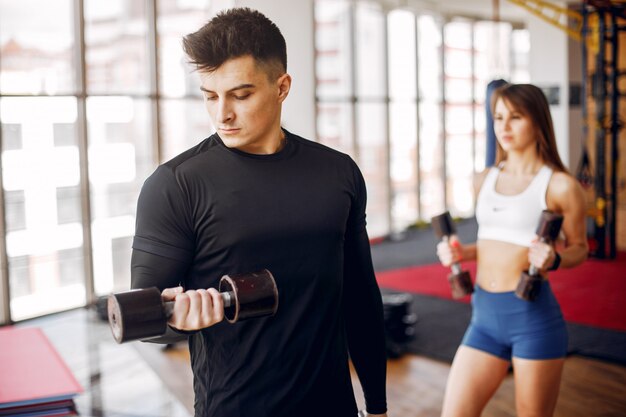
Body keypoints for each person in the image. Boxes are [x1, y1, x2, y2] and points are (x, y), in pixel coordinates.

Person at [129, 7, 388, 417]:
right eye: (210, 96)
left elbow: (360, 298)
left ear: (282, 87)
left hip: (333, 406)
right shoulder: (175, 185)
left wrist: (376, 405)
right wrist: (179, 318)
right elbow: (145, 317)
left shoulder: (338, 173)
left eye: (241, 94)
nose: (222, 114)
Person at [436, 83, 588, 417]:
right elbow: (496, 239)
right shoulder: (484, 178)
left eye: (515, 117)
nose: (503, 126)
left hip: (532, 321)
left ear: (538, 122)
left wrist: (556, 258)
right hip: (484, 319)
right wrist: (463, 253)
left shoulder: (561, 185)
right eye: (498, 117)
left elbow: (580, 248)